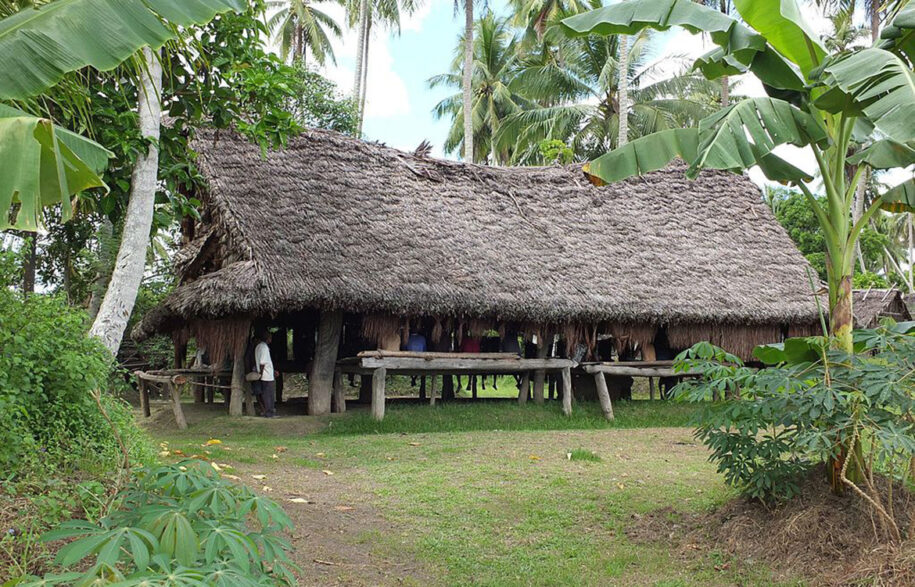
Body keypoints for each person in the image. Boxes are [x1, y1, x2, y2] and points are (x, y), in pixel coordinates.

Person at [253, 329, 277, 418]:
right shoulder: (264, 347)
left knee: (266, 394)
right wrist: (261, 374)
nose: (271, 339)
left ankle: (269, 412)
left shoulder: (259, 346)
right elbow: (262, 363)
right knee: (268, 394)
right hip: (266, 376)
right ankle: (269, 413)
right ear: (268, 338)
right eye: (270, 337)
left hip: (265, 374)